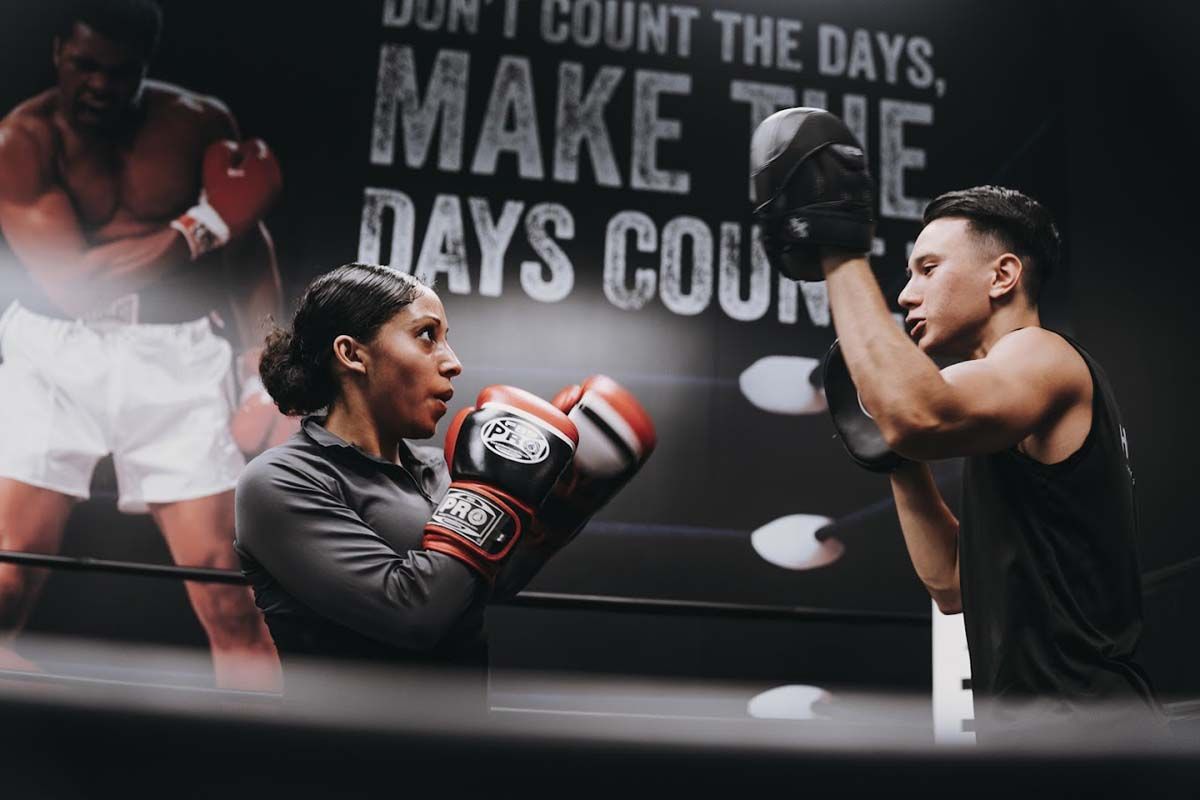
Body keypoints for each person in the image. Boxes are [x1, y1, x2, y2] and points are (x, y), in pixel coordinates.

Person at [751, 108, 1162, 742]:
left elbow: (921, 414)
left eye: (928, 269)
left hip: (1088, 729)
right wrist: (897, 459)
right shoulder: (1000, 407)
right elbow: (951, 583)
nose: (907, 294)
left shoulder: (1043, 355)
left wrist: (838, 249)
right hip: (1031, 731)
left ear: (1003, 276)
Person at [0, 0, 285, 689]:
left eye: (119, 72)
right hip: (53, 355)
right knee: (6, 577)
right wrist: (203, 225)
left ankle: (272, 763)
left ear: (146, 67)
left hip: (174, 355)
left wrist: (265, 368)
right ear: (59, 53)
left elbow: (244, 249)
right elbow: (75, 287)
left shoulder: (196, 124)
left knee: (226, 590)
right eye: (85, 66)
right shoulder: (21, 143)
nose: (99, 85)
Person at [235, 263, 655, 685]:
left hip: (464, 739)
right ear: (352, 354)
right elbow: (413, 615)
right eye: (426, 336)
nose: (453, 363)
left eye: (446, 340)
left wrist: (563, 503)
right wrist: (494, 492)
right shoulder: (280, 481)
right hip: (345, 746)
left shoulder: (440, 468)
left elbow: (487, 584)